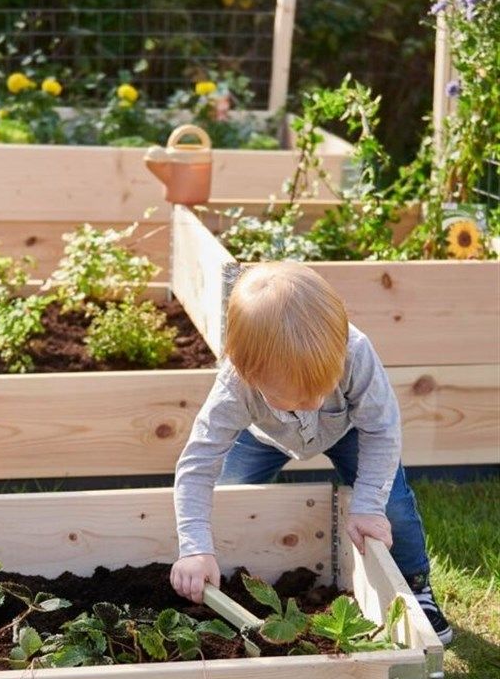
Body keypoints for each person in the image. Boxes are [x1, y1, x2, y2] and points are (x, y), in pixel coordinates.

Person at [170, 262, 452, 644]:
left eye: (323, 389)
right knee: (233, 493)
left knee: (392, 508)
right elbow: (197, 464)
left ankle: (416, 587)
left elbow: (381, 430)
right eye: (299, 398)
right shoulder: (236, 387)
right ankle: (232, 573)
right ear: (251, 375)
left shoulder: (355, 352)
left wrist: (368, 504)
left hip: (349, 431)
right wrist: (195, 548)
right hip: (263, 437)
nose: (315, 402)